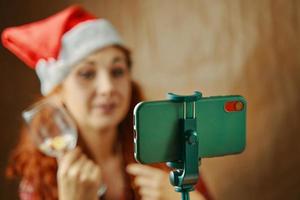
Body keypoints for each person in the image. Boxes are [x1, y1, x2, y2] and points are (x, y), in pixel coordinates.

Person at [2, 5, 212, 200]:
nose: (108, 87)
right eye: (87, 73)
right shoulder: (41, 180)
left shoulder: (171, 156)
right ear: (57, 92)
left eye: (117, 71)